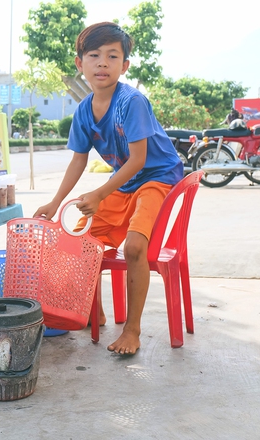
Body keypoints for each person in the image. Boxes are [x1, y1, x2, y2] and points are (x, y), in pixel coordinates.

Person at [34, 22, 183, 355]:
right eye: (94, 55)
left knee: (133, 249)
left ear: (124, 66)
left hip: (156, 176)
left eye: (112, 56)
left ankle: (132, 330)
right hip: (127, 182)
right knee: (78, 241)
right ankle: (94, 313)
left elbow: (139, 160)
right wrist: (55, 202)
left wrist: (100, 193)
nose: (102, 62)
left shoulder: (131, 102)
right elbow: (77, 161)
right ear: (80, 64)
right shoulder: (84, 110)